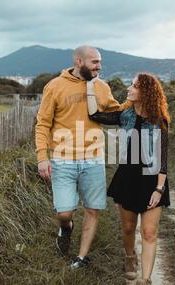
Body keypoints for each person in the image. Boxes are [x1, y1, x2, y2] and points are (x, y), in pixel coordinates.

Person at [35, 45, 132, 269]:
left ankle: (81, 257)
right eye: (94, 62)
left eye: (99, 62)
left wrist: (136, 100)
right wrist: (42, 156)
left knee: (92, 208)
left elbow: (116, 112)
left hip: (93, 158)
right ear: (79, 62)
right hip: (62, 158)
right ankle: (66, 227)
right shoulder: (55, 86)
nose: (99, 66)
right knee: (64, 212)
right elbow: (43, 124)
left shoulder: (101, 87)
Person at [88, 73, 170, 285]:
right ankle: (129, 257)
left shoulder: (159, 120)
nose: (129, 89)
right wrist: (89, 85)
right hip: (127, 177)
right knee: (127, 229)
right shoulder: (124, 115)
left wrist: (159, 189)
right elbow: (95, 114)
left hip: (152, 179)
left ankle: (145, 282)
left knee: (149, 232)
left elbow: (163, 159)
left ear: (145, 92)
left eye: (134, 86)